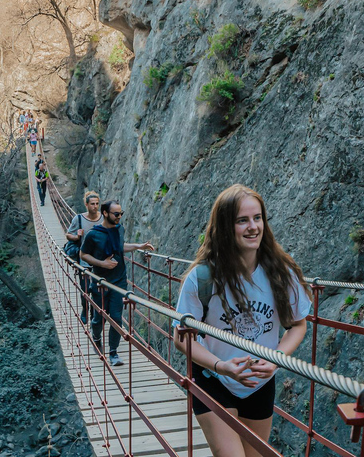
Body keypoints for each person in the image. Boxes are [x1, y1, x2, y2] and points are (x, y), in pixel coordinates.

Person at [172, 184, 312, 457]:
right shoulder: (202, 278)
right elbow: (181, 337)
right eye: (242, 220)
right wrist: (221, 366)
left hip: (260, 381)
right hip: (214, 377)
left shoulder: (281, 274)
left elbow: (298, 324)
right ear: (225, 226)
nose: (253, 227)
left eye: (257, 218)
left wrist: (275, 358)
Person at [80, 200, 154, 366]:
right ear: (105, 213)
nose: (119, 216)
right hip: (100, 281)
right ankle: (96, 337)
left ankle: (113, 352)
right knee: (99, 318)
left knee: (115, 317)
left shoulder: (119, 229)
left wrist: (138, 246)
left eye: (121, 213)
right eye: (116, 214)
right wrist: (102, 264)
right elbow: (83, 254)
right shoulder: (93, 234)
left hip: (119, 280)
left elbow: (120, 246)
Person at [65, 191, 102, 324]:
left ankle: (93, 314)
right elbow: (69, 235)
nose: (95, 206)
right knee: (85, 289)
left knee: (97, 290)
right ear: (86, 205)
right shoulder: (79, 219)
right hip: (83, 261)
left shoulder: (103, 218)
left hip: (99, 261)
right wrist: (77, 236)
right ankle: (85, 309)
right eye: (92, 204)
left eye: (97, 204)